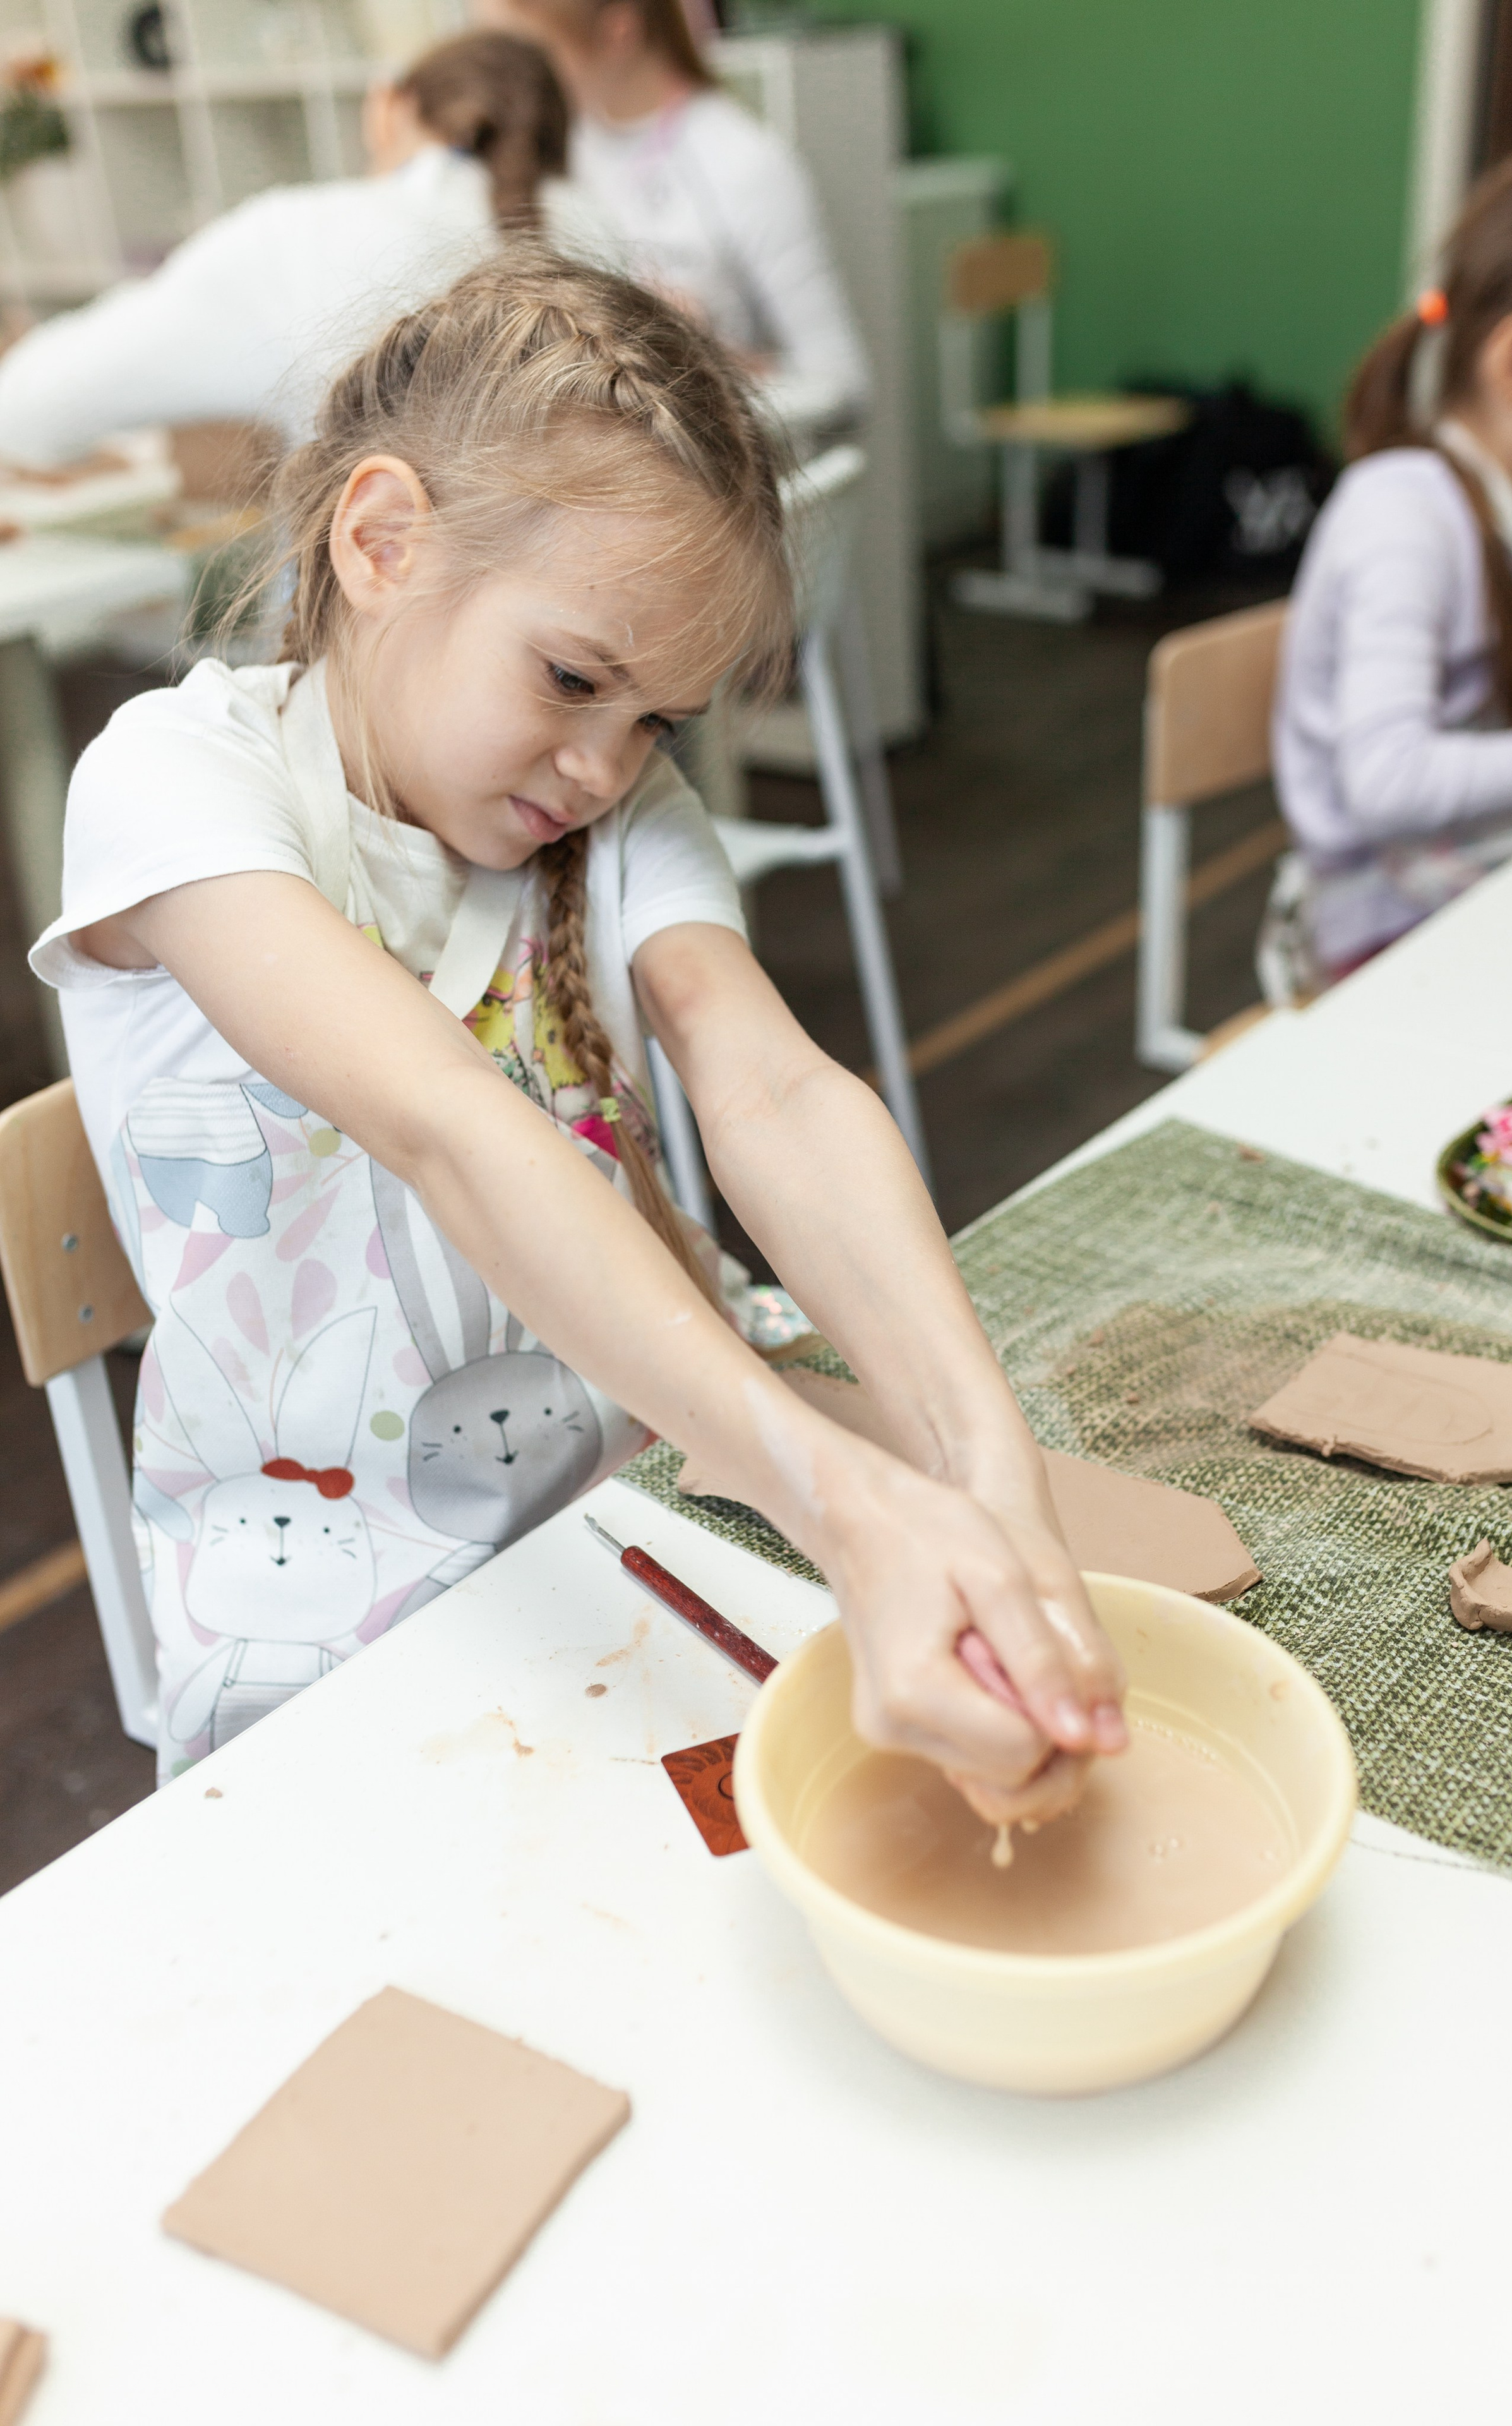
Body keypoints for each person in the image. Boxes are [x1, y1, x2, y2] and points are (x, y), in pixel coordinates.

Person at [29, 250, 1124, 1811]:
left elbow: (772, 1089)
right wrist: (849, 1506)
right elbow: (447, 1123)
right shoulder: (176, 782)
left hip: (646, 1493)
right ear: (382, 541)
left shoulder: (606, 807)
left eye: (654, 720)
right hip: (338, 1604)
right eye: (569, 681)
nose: (606, 768)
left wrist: (983, 1464)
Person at [1265, 148, 1512, 997]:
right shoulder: (1402, 516)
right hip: (1377, 939)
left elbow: (1501, 734)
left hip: (1466, 891)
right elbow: (1388, 782)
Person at [0, 31, 614, 467]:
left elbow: (28, 409)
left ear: (387, 106)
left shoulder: (301, 235)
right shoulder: (603, 234)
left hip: (362, 613)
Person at [477, 0, 867, 445]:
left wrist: (707, 358)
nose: (508, 83)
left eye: (530, 54)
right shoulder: (558, 154)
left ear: (620, 28)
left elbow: (844, 388)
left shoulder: (744, 163)